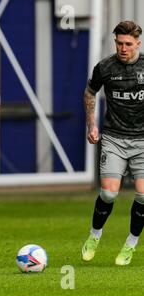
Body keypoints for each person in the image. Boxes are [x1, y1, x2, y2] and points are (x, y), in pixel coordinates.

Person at [81, 21, 144, 266]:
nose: (123, 48)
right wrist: (92, 125)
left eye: (128, 44)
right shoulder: (105, 67)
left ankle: (130, 244)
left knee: (143, 196)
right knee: (108, 193)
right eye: (119, 43)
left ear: (138, 42)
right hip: (114, 138)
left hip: (142, 139)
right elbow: (89, 92)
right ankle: (94, 237)